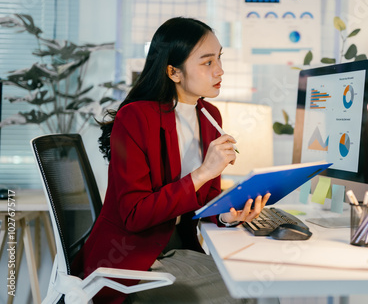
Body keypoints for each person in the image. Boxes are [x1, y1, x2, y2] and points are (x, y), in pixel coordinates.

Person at [75, 17, 271, 304]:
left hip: (178, 248)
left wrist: (228, 215)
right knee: (255, 293)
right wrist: (204, 172)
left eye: (219, 58)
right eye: (207, 62)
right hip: (129, 259)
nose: (220, 70)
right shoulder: (136, 117)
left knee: (259, 284)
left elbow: (206, 200)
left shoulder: (209, 116)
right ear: (173, 72)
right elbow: (134, 215)